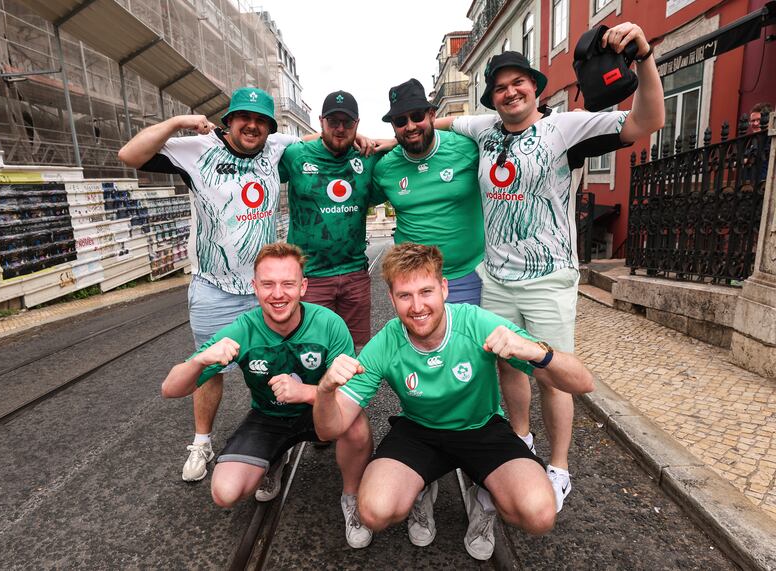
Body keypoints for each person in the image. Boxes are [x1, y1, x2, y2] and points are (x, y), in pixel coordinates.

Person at [436, 23, 665, 512]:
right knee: (508, 363)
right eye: (499, 87)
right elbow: (441, 125)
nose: (509, 91)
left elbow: (646, 122)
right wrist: (385, 137)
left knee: (552, 374)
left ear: (536, 87)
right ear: (492, 99)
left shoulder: (566, 127)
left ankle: (559, 467)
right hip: (496, 278)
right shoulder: (484, 129)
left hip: (549, 279)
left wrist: (644, 58)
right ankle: (521, 439)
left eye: (518, 82)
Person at [313, 243, 594, 560]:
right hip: (419, 431)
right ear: (391, 298)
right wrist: (325, 390)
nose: (418, 306)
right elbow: (328, 429)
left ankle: (484, 497)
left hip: (483, 428)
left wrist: (538, 352)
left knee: (539, 515)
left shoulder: (476, 323)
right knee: (374, 512)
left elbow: (584, 383)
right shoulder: (386, 342)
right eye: (405, 295)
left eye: (426, 291)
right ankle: (420, 485)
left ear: (444, 288)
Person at [119, 87, 302, 482]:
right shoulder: (196, 149)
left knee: (268, 366)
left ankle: (271, 446)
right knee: (207, 367)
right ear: (229, 121)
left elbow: (324, 142)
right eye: (244, 118)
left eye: (261, 121)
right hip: (212, 287)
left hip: (262, 291)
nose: (253, 126)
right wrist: (177, 122)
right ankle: (201, 443)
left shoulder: (277, 148)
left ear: (270, 127)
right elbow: (129, 155)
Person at [160, 243, 374, 548]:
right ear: (255, 287)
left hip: (318, 411)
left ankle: (351, 497)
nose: (278, 294)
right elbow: (170, 389)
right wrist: (200, 361)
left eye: (288, 284)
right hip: (269, 417)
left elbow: (349, 396)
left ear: (303, 286)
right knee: (225, 492)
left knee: (356, 426)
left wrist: (305, 391)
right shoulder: (242, 329)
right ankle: (272, 459)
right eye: (268, 284)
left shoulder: (329, 324)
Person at [279, 90, 386, 348]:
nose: (340, 128)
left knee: (354, 352)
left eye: (347, 123)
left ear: (357, 124)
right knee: (311, 353)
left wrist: (371, 140)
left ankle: (347, 390)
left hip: (354, 276)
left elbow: (406, 140)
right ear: (321, 122)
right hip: (310, 276)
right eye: (333, 122)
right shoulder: (296, 155)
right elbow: (261, 152)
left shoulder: (367, 157)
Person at [372, 78, 485, 305]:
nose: (410, 125)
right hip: (414, 281)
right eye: (401, 121)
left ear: (432, 115)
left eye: (417, 116)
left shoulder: (467, 147)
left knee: (472, 340)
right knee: (422, 342)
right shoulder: (384, 168)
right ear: (393, 127)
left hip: (469, 274)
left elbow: (500, 126)